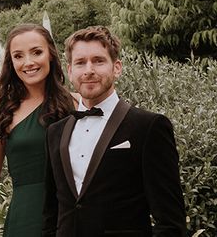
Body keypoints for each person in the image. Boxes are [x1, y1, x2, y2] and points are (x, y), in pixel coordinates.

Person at [43, 25, 187, 236]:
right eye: (80, 63)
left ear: (117, 67)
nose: (89, 70)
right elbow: (50, 214)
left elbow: (171, 222)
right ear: (70, 71)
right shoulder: (55, 132)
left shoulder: (149, 127)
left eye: (98, 61)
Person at [0, 24, 74, 236]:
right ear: (11, 63)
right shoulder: (0, 110)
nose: (28, 63)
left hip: (70, 211)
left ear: (51, 54)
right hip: (26, 214)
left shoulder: (74, 103)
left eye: (37, 52)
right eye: (18, 56)